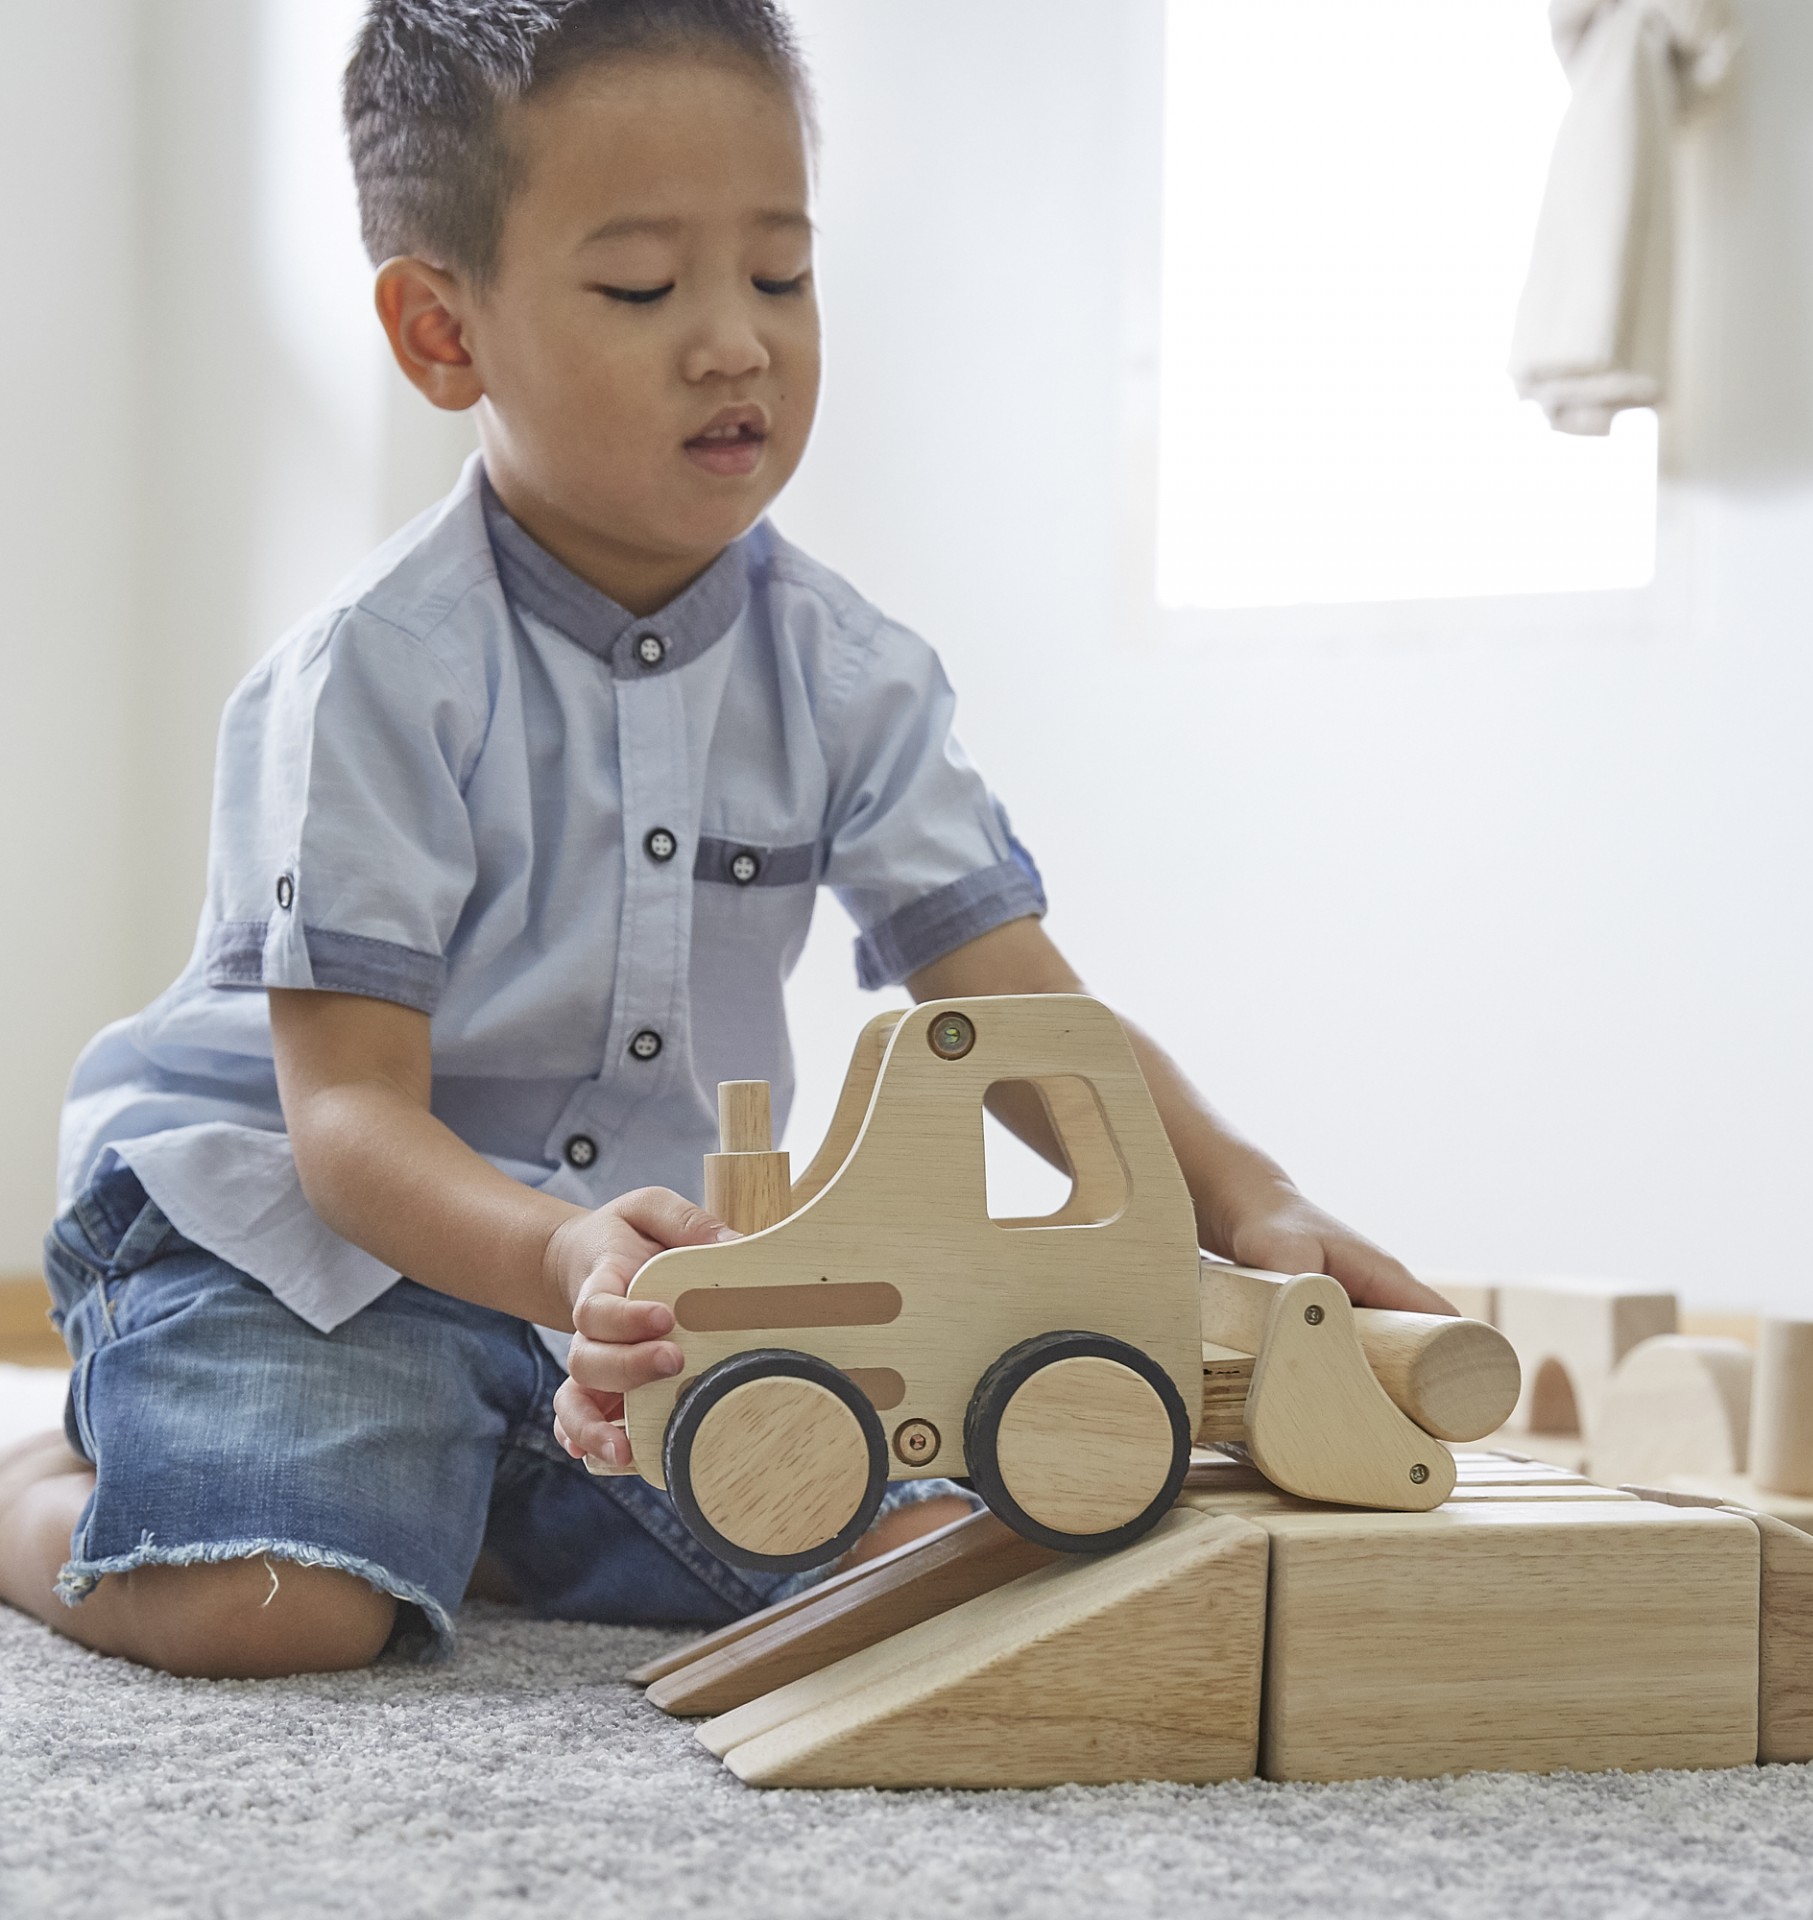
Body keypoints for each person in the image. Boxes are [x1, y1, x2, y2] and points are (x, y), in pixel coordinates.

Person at [0, 0, 1453, 1681]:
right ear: (442, 333)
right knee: (276, 1609)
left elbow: (1023, 1018)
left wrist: (1248, 1202)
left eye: (781, 275)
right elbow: (343, 1124)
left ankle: (476, 1485)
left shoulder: (848, 676)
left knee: (913, 1552)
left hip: (632, 1280)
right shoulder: (377, 674)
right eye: (641, 288)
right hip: (298, 1249)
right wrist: (552, 1254)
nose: (736, 345)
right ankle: (40, 1484)